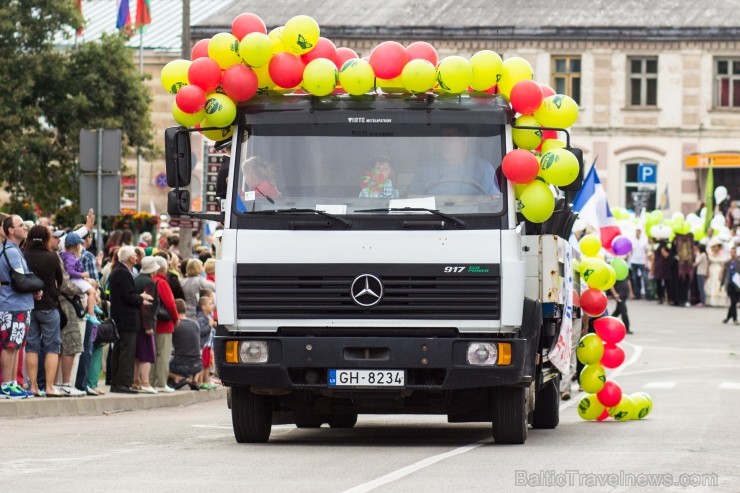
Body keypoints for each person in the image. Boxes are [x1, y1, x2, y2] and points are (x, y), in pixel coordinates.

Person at [23, 226, 64, 397]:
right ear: (47, 238)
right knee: (52, 347)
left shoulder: (23, 255)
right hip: (48, 305)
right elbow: (60, 281)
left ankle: (32, 387)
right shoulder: (52, 257)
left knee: (32, 346)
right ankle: (49, 387)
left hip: (28, 305)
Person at [0, 215, 37, 398]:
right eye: (20, 225)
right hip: (13, 305)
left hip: (20, 304)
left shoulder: (15, 249)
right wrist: (36, 286)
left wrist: (33, 288)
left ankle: (13, 382)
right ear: (10, 230)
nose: (24, 227)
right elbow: (21, 279)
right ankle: (6, 384)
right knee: (10, 346)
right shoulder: (11, 251)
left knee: (16, 346)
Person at [108, 246, 152, 393]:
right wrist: (141, 297)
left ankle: (117, 382)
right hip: (125, 318)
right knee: (126, 351)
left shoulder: (120, 271)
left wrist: (139, 298)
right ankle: (123, 383)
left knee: (120, 350)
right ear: (128, 258)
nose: (136, 256)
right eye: (134, 254)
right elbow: (128, 296)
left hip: (121, 317)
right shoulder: (123, 273)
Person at [407, 126, 498, 196]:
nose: (445, 143)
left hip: (472, 218)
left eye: (450, 139)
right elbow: (411, 198)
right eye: (443, 139)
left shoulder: (483, 168)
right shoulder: (426, 168)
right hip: (433, 219)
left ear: (465, 142)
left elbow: (494, 200)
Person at [149, 256, 179, 393]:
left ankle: (151, 380)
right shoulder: (162, 282)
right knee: (164, 353)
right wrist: (176, 318)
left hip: (153, 322)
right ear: (163, 268)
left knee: (154, 353)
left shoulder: (151, 281)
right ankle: (161, 382)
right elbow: (171, 303)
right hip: (164, 323)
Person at [60, 233, 102, 325]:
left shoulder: (66, 255)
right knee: (92, 292)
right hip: (75, 279)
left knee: (93, 283)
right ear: (75, 246)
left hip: (76, 279)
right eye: (79, 244)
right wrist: (82, 274)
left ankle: (93, 304)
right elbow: (70, 271)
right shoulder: (70, 257)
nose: (81, 246)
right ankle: (91, 313)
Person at [133, 257, 160, 393]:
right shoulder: (150, 282)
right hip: (145, 323)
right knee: (146, 354)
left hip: (135, 321)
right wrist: (148, 326)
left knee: (137, 355)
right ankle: (145, 382)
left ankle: (135, 381)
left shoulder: (136, 279)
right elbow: (147, 305)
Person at [168, 298, 203, 390]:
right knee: (197, 356)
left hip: (180, 366)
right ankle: (195, 380)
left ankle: (178, 378)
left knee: (160, 362)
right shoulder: (195, 324)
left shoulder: (175, 325)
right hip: (197, 366)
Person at [196, 295, 217, 390]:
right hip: (204, 345)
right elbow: (201, 331)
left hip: (209, 345)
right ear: (203, 307)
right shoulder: (201, 318)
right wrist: (209, 325)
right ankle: (200, 382)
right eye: (210, 304)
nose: (212, 305)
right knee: (203, 364)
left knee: (207, 363)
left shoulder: (209, 316)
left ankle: (206, 381)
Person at [706, 238, 729, 307]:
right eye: (715, 246)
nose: (716, 248)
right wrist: (707, 272)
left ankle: (720, 302)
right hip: (711, 270)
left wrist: (721, 273)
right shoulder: (710, 254)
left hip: (718, 270)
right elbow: (708, 264)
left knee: (718, 284)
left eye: (717, 246)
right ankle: (711, 301)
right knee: (711, 284)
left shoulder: (722, 255)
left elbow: (723, 266)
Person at [628, 228, 649, 299]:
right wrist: (630, 260)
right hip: (634, 261)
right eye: (636, 232)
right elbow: (630, 252)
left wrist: (646, 261)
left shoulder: (644, 241)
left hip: (642, 261)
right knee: (635, 278)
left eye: (638, 233)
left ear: (640, 233)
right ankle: (637, 294)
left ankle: (647, 294)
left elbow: (646, 252)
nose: (637, 234)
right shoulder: (633, 241)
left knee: (645, 277)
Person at [722, 246, 740, 325]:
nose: (733, 253)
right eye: (732, 252)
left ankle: (728, 317)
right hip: (729, 284)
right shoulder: (727, 263)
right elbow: (724, 274)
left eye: (734, 252)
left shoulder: (738, 262)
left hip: (737, 284)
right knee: (733, 301)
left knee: (734, 302)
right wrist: (721, 284)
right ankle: (735, 319)